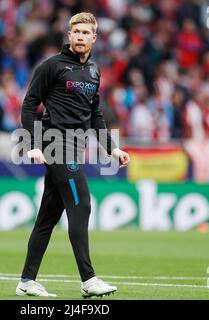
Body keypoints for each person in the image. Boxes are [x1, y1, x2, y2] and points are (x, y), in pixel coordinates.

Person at [16, 12, 130, 298]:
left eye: (85, 32)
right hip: (55, 145)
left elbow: (95, 115)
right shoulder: (51, 66)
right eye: (75, 31)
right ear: (69, 35)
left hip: (76, 147)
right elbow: (29, 106)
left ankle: (26, 281)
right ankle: (89, 280)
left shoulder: (93, 71)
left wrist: (112, 148)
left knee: (47, 218)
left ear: (94, 38)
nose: (79, 36)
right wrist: (33, 145)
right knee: (82, 205)